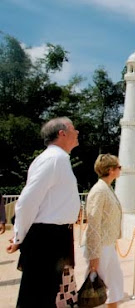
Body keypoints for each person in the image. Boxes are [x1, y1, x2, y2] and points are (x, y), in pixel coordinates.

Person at [6, 117, 80, 307]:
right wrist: (18, 236)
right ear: (62, 133)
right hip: (47, 239)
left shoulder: (59, 159)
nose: (77, 132)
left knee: (45, 296)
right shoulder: (53, 159)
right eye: (73, 129)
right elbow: (27, 201)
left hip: (55, 236)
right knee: (36, 297)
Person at [84, 154, 124, 307]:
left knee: (114, 283)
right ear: (111, 170)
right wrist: (94, 254)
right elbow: (93, 223)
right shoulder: (100, 191)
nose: (120, 170)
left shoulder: (107, 188)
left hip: (107, 244)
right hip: (100, 246)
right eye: (118, 167)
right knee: (96, 288)